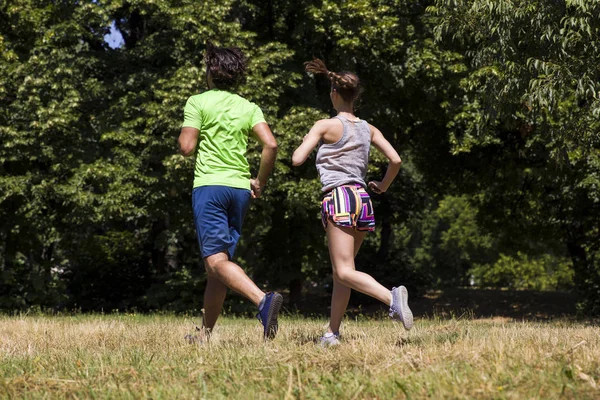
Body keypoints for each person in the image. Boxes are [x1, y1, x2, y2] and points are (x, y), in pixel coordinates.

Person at [292, 58, 413, 346]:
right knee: (341, 273)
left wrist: (311, 137)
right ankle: (332, 333)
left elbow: (297, 159)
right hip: (362, 199)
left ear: (334, 93)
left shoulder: (325, 125)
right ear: (355, 95)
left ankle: (391, 298)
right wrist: (382, 186)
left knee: (345, 270)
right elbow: (395, 160)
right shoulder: (368, 129)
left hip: (339, 197)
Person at [178, 42, 282, 341]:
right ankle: (205, 334)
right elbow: (271, 144)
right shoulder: (248, 107)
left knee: (215, 261)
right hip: (239, 189)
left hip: (210, 187)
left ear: (211, 72)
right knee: (219, 266)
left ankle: (263, 301)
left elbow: (186, 148)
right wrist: (259, 181)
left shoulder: (197, 102)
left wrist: (186, 135)